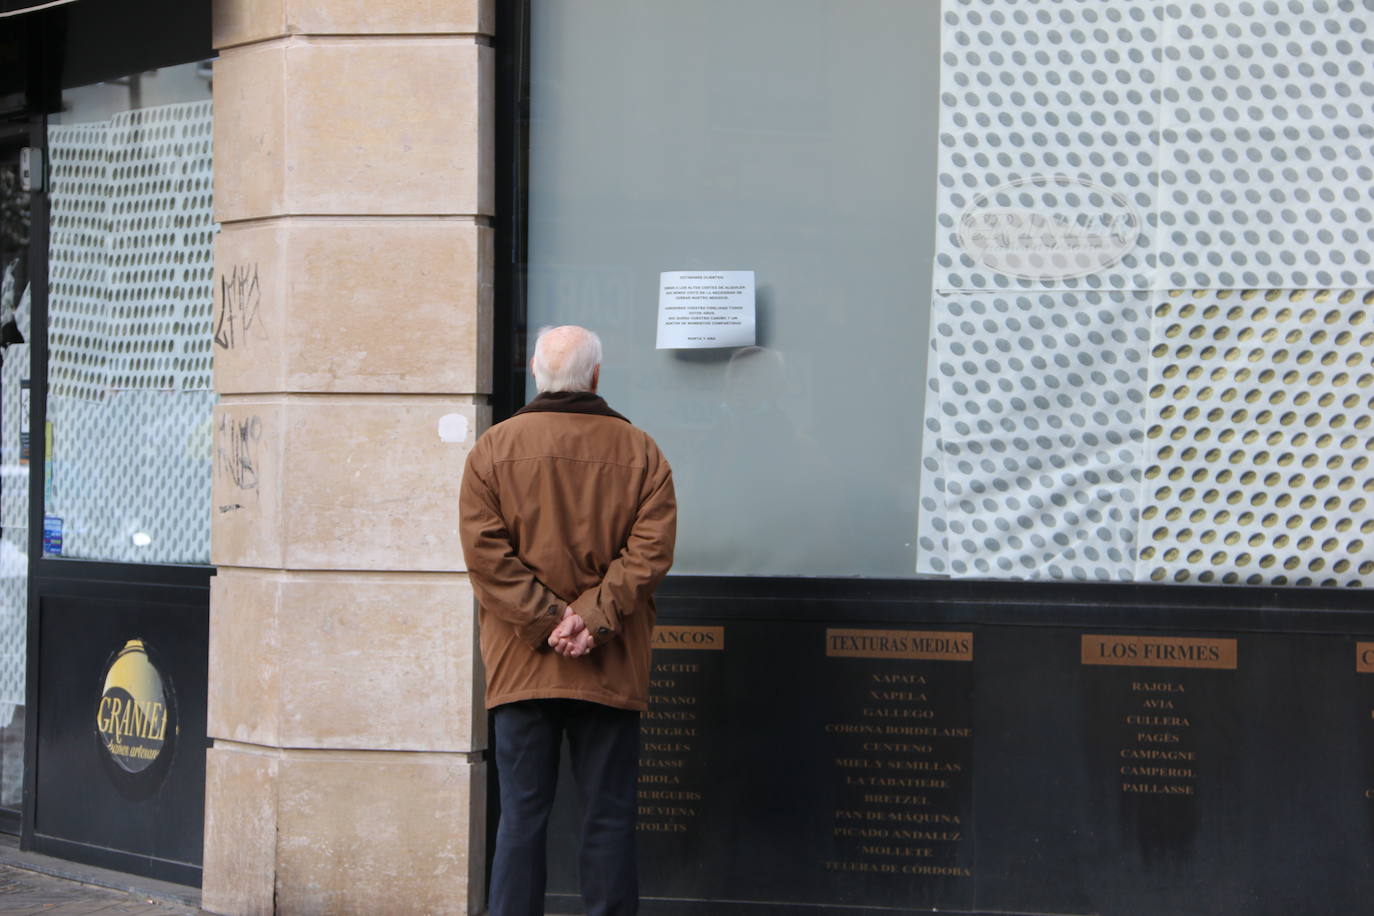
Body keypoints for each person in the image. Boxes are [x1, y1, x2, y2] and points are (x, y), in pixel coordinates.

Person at [459, 325, 677, 916]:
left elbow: (486, 556)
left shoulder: (492, 450)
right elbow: (650, 553)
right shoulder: (643, 453)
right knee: (608, 816)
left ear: (535, 370)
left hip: (521, 663)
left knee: (522, 817)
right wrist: (588, 619)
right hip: (611, 664)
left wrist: (548, 622)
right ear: (597, 376)